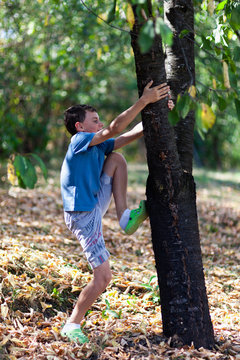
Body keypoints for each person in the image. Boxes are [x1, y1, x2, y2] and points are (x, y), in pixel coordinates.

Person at [60, 80, 173, 343]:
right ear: (80, 126)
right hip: (83, 214)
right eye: (95, 120)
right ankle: (72, 324)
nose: (100, 125)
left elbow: (129, 134)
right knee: (103, 277)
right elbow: (115, 128)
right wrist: (143, 101)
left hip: (93, 203)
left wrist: (156, 111)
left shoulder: (99, 146)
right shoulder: (79, 141)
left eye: (100, 121)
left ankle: (124, 217)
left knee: (117, 159)